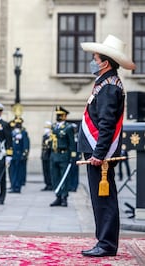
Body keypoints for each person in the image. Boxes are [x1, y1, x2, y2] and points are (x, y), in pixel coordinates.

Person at [79, 35, 135, 257]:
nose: (92, 62)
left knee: (104, 198)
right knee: (100, 198)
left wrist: (99, 153)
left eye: (95, 58)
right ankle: (103, 240)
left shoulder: (109, 87)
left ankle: (107, 244)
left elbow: (107, 124)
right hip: (96, 151)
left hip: (99, 154)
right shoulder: (104, 83)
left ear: (105, 62)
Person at [49, 106, 76, 207]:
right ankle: (58, 196)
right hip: (54, 154)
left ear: (65, 116)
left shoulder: (68, 128)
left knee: (64, 177)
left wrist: (73, 155)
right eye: (57, 115)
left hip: (64, 154)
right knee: (55, 176)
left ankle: (64, 197)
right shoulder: (54, 127)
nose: (58, 117)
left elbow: (72, 143)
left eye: (60, 115)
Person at [8, 117, 29, 193]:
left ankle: (17, 187)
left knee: (18, 172)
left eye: (19, 124)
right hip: (12, 155)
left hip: (19, 155)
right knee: (12, 171)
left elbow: (25, 144)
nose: (17, 125)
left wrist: (24, 154)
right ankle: (13, 185)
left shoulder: (23, 133)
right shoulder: (12, 132)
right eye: (16, 123)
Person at [40, 121, 52, 191]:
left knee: (49, 171)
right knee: (45, 171)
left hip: (49, 157)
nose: (46, 129)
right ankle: (47, 184)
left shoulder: (52, 136)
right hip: (44, 156)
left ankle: (51, 184)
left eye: (47, 128)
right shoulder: (44, 136)